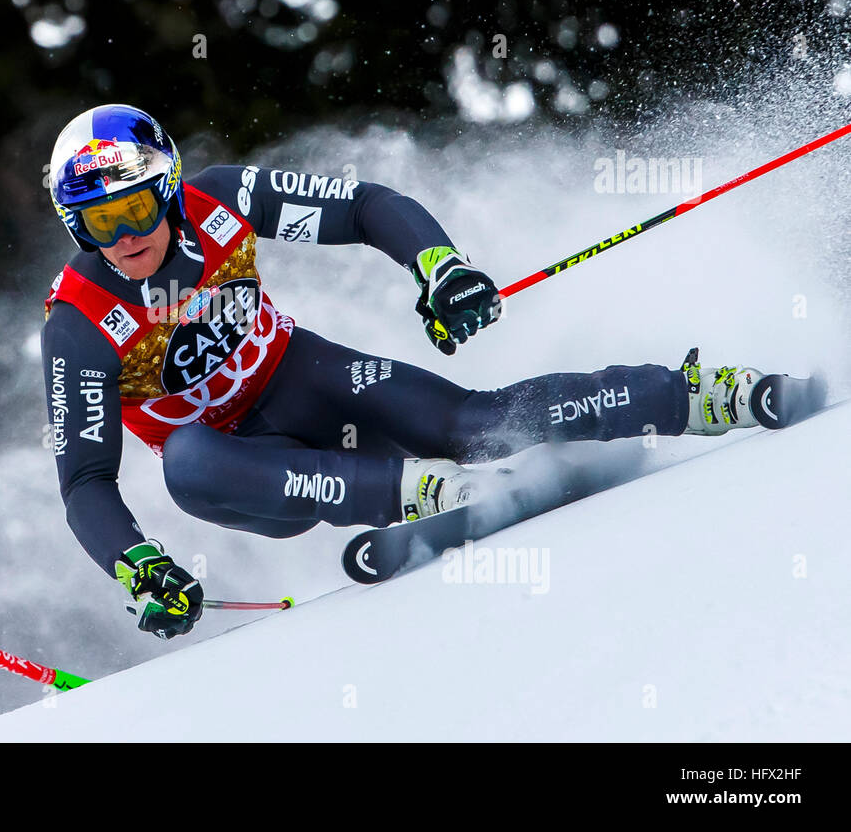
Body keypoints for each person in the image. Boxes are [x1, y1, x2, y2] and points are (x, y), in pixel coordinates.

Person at [41, 104, 775, 640]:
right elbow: (84, 480)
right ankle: (431, 494)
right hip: (248, 469)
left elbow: (363, 208)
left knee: (474, 425)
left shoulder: (221, 199)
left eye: (135, 206)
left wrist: (441, 268)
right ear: (77, 227)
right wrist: (136, 564)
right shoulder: (78, 324)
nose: (126, 234)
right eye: (99, 222)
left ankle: (696, 395)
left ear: (165, 188)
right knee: (185, 460)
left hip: (308, 379)